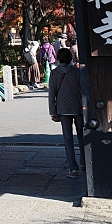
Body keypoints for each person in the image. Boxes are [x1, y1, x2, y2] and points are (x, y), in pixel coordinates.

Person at [49, 47, 85, 178]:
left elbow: (52, 94)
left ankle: (73, 168)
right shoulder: (77, 72)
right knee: (82, 136)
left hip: (63, 109)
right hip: (78, 108)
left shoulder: (54, 73)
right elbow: (83, 90)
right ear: (70, 58)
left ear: (58, 58)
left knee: (68, 138)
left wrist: (53, 111)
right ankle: (84, 163)